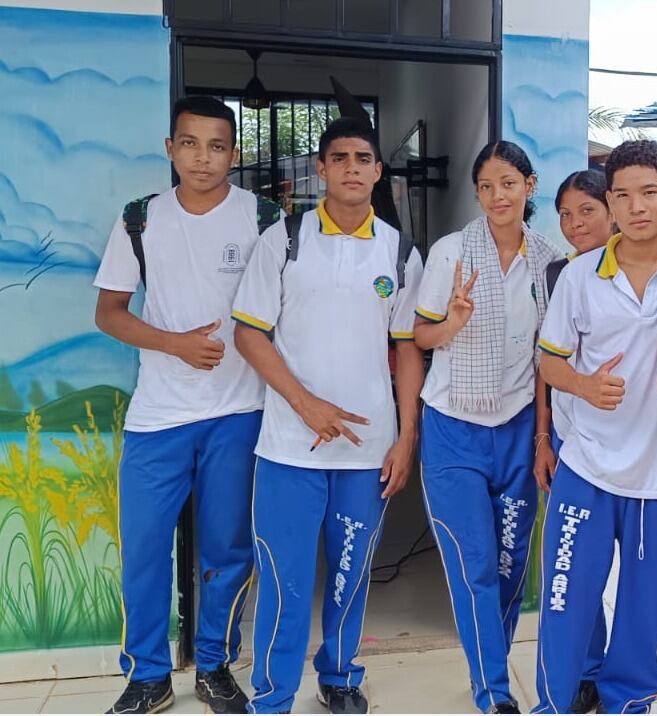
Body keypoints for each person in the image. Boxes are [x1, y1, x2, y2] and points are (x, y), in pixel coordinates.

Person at [232, 117, 425, 714]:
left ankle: (339, 676)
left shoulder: (398, 250)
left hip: (368, 451)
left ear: (377, 169)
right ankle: (273, 694)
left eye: (362, 158)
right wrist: (306, 404)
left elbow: (409, 348)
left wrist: (406, 436)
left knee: (350, 574)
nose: (350, 168)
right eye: (338, 157)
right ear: (320, 169)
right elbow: (249, 335)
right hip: (289, 447)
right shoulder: (284, 240)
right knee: (285, 582)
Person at [94, 96, 271, 715]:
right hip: (157, 416)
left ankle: (216, 666)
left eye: (217, 146)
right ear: (171, 149)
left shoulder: (264, 216)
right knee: (145, 549)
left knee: (227, 548)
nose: (203, 158)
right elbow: (108, 311)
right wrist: (173, 344)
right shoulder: (140, 221)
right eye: (190, 144)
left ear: (235, 154)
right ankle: (147, 675)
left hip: (238, 412)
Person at [533, 139, 657, 714]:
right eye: (622, 195)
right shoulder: (579, 276)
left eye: (649, 192)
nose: (636, 207)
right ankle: (553, 703)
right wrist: (583, 385)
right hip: (587, 469)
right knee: (566, 602)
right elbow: (548, 361)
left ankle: (628, 706)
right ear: (611, 204)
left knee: (645, 617)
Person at [414, 141, 561, 714]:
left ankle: (487, 661)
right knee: (473, 561)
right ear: (476, 193)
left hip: (520, 427)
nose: (498, 196)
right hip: (454, 428)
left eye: (508, 183)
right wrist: (450, 322)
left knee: (508, 563)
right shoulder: (451, 253)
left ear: (529, 184)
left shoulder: (549, 261)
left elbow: (547, 359)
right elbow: (418, 339)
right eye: (486, 186)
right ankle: (494, 692)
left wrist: (543, 437)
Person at [532, 169, 616, 714]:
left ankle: (614, 675)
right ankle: (584, 671)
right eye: (564, 214)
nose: (574, 224)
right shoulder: (559, 271)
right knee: (572, 568)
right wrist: (543, 437)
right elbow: (548, 360)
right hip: (570, 439)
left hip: (642, 449)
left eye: (586, 210)